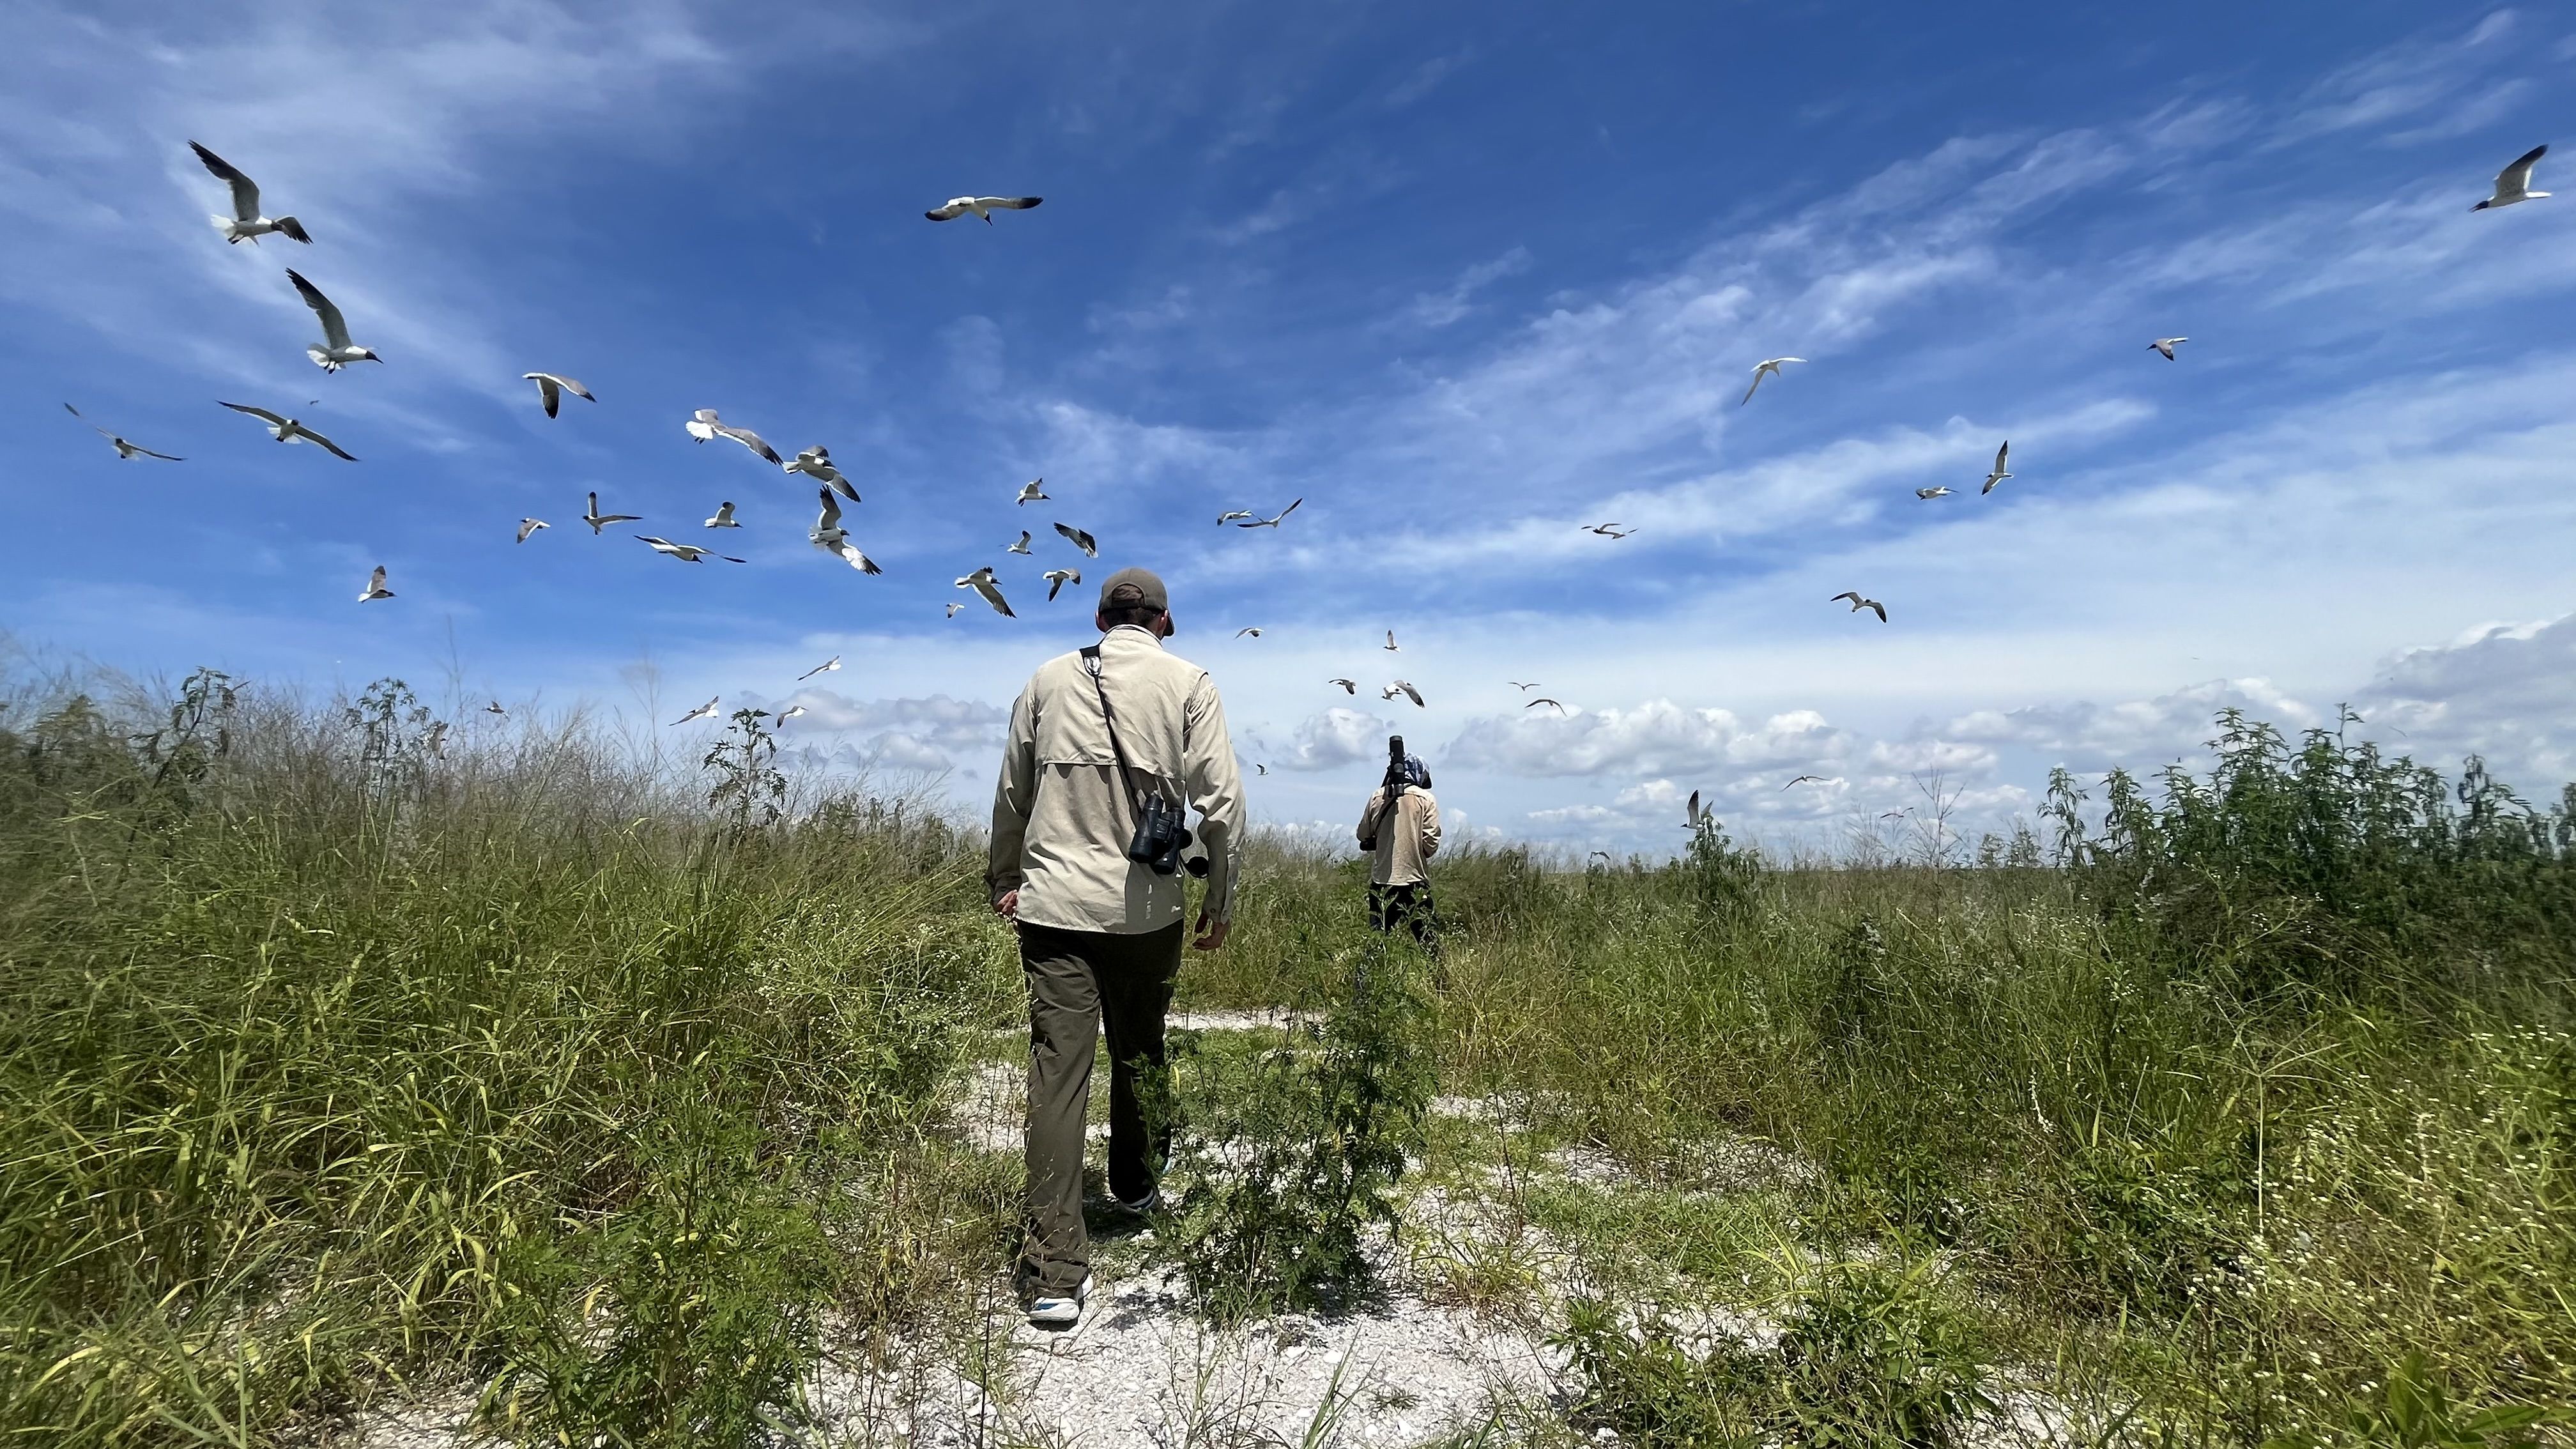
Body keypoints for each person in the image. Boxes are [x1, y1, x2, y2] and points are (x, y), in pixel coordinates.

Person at [986, 566, 1245, 1328]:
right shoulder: (1190, 682)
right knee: (1141, 1050)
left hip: (1055, 907)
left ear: (1100, 617)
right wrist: (1219, 898)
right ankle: (1134, 1184)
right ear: (1166, 621)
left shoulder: (1046, 679)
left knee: (1058, 1079)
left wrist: (1007, 876)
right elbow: (1223, 804)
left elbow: (1012, 792)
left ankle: (1055, 1271)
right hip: (1148, 912)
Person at [1357, 751, 1440, 949]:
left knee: (1377, 944)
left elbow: (1362, 835)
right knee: (1430, 944)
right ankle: (1441, 980)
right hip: (1415, 881)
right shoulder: (1426, 799)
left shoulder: (1377, 796)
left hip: (1382, 883)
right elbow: (1431, 844)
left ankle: (1363, 980)